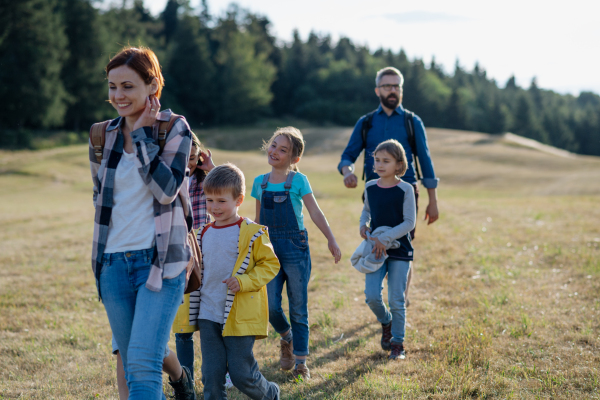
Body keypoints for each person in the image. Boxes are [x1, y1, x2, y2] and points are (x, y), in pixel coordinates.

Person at [89, 46, 194, 399]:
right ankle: (183, 380)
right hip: (113, 265)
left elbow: (166, 190)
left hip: (160, 262)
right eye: (112, 86)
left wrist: (145, 136)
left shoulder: (174, 128)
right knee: (133, 361)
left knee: (143, 363)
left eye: (128, 86)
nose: (117, 95)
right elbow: (100, 199)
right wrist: (102, 262)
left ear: (152, 86)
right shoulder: (101, 135)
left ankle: (181, 380)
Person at [338, 66, 440, 306]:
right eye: (387, 86)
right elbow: (348, 156)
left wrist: (432, 200)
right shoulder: (366, 123)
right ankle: (377, 294)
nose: (392, 90)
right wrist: (347, 172)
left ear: (401, 90)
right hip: (374, 193)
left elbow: (425, 160)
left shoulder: (412, 122)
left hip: (407, 191)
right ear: (377, 90)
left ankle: (400, 302)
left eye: (396, 86)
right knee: (376, 239)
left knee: (403, 245)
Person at [252, 127, 342, 380]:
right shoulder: (260, 182)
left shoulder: (299, 181)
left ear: (294, 159)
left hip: (295, 248)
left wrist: (331, 239)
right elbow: (259, 220)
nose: (275, 152)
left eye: (283, 150)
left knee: (298, 307)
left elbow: (315, 212)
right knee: (270, 306)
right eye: (273, 145)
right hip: (269, 250)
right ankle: (286, 337)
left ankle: (301, 361)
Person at [190, 163, 281, 400]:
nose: (214, 207)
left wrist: (244, 281)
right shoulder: (202, 233)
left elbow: (270, 265)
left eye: (221, 201)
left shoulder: (252, 232)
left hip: (238, 315)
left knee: (242, 375)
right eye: (209, 200)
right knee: (211, 374)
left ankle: (270, 393)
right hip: (208, 312)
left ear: (239, 200)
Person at [359, 139, 416, 360]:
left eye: (386, 161)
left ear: (398, 164)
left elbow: (409, 222)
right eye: (377, 160)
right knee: (372, 296)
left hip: (400, 249)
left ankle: (398, 344)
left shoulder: (405, 189)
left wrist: (387, 237)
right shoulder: (370, 186)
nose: (380, 165)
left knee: (396, 299)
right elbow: (367, 211)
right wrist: (363, 225)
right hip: (375, 249)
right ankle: (386, 322)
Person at [171, 132, 215, 383]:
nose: (187, 163)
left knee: (212, 321)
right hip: (181, 253)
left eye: (192, 158)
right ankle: (185, 379)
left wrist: (211, 168)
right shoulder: (169, 180)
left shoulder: (205, 181)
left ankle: (218, 373)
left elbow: (230, 191)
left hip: (207, 251)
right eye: (182, 158)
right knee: (184, 326)